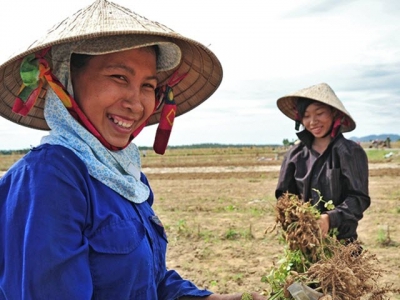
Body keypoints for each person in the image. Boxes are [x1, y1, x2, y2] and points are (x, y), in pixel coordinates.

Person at [0, 1, 265, 299]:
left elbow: (148, 281)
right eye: (119, 77)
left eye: (148, 86)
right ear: (65, 81)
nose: (136, 103)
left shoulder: (126, 175)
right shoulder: (49, 179)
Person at [275, 83, 370, 242]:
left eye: (319, 113)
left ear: (334, 113)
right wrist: (297, 222)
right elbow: (284, 197)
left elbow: (359, 199)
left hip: (341, 246)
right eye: (306, 116)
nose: (312, 121)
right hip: (304, 244)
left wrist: (330, 219)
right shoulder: (294, 155)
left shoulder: (350, 152)